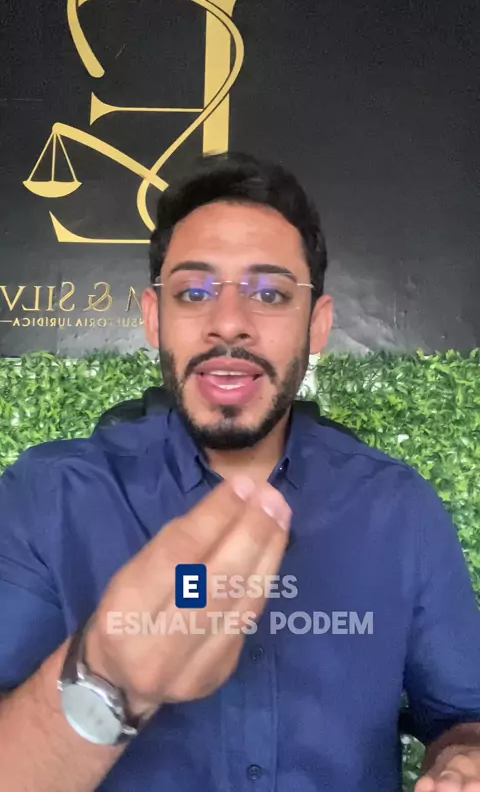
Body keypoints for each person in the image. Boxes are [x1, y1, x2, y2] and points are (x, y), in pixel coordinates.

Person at [0, 153, 479, 792]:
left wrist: (463, 760)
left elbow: (465, 717)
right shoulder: (46, 498)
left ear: (318, 325)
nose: (228, 323)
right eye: (194, 293)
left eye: (270, 295)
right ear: (154, 318)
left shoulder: (399, 508)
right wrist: (105, 677)